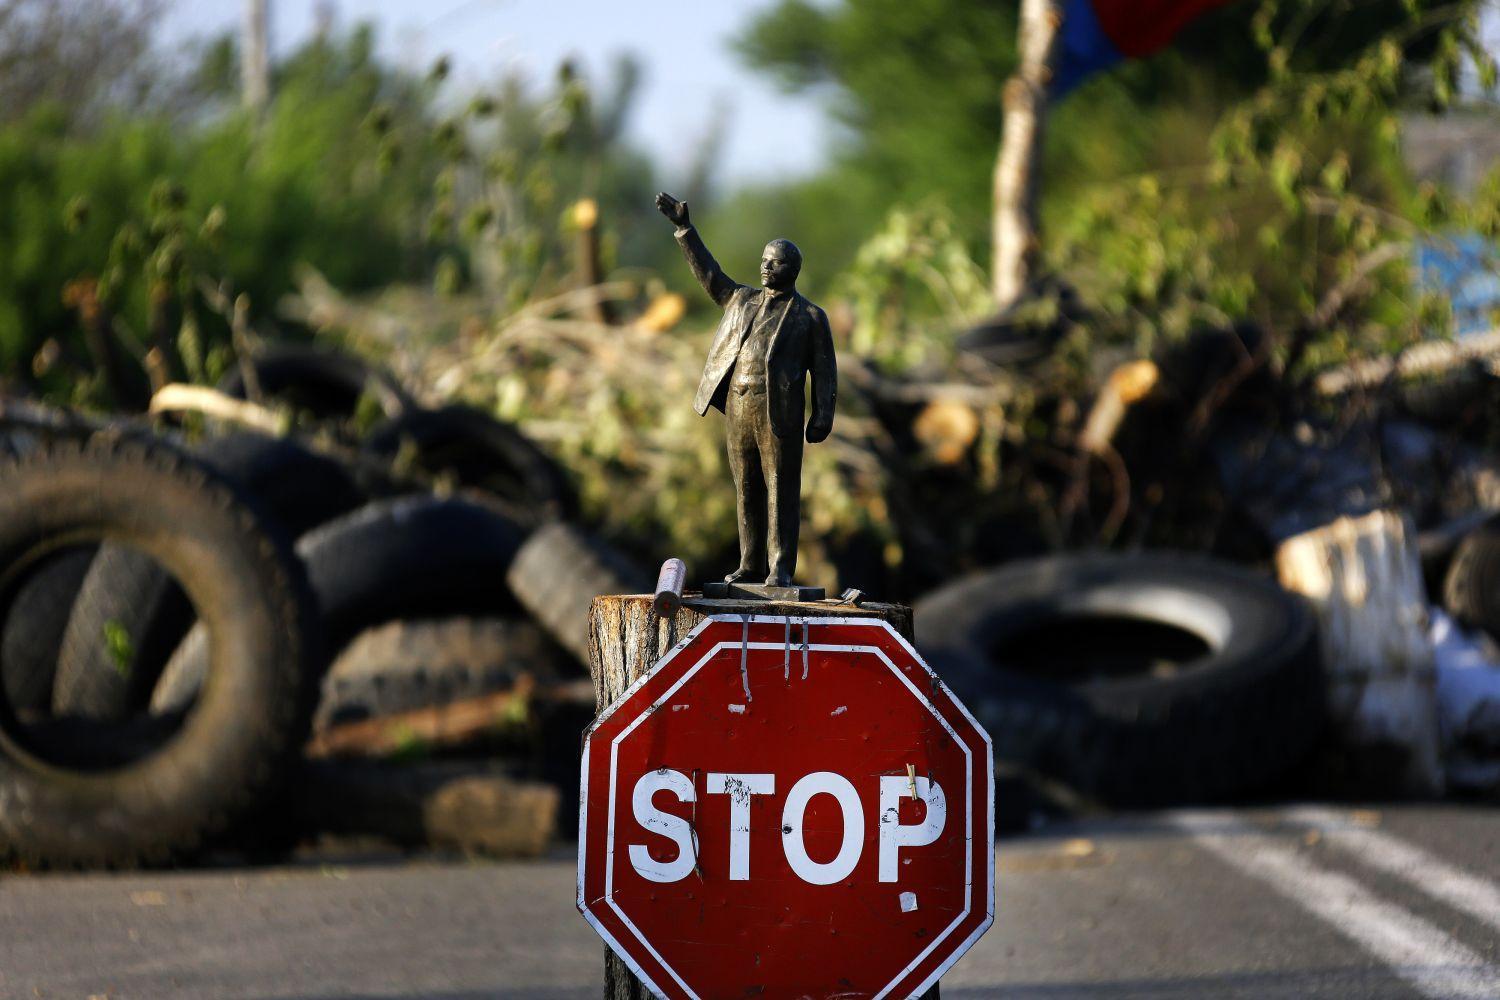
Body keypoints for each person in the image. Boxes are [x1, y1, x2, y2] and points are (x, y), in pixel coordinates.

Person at [655, 191, 836, 588]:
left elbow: (825, 371)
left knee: (781, 490)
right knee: (747, 486)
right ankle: (750, 564)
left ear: (793, 269)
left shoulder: (809, 317)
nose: (766, 267)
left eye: (775, 262)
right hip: (738, 406)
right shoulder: (740, 299)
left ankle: (780, 568)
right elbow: (709, 275)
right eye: (763, 261)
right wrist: (685, 229)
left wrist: (822, 414)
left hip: (780, 412)